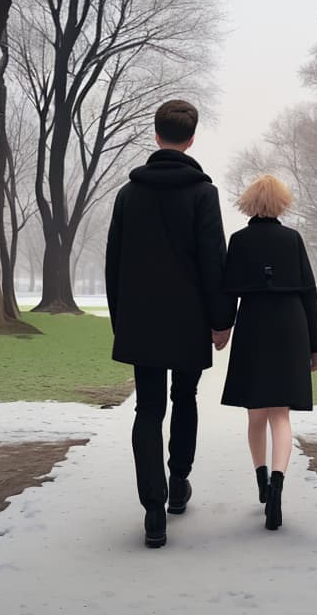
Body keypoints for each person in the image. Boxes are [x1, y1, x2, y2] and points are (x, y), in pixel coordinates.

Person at [105, 100, 236, 548]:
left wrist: (120, 318)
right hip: (188, 319)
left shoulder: (128, 195)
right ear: (191, 138)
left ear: (156, 135)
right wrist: (222, 321)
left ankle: (153, 512)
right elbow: (212, 262)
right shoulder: (203, 193)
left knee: (147, 409)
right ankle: (178, 483)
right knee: (185, 397)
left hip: (141, 319)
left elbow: (113, 264)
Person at [221, 174, 317, 531]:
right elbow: (309, 292)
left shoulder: (239, 241)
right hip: (291, 326)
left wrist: (222, 328)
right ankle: (278, 485)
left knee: (256, 415)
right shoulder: (292, 239)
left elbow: (227, 291)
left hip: (254, 326)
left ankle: (262, 482)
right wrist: (316, 345)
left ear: (249, 203)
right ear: (281, 203)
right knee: (281, 415)